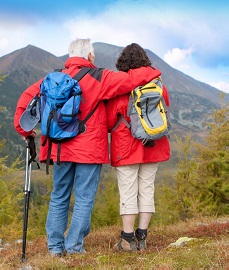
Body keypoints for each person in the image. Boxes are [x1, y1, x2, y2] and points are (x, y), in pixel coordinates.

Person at [14, 39, 162, 256]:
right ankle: (74, 247)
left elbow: (25, 101)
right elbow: (131, 80)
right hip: (89, 149)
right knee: (84, 197)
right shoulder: (100, 77)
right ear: (90, 56)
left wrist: (24, 131)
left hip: (60, 148)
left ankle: (55, 248)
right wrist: (153, 70)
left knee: (59, 195)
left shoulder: (51, 79)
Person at [106, 43, 170, 251]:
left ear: (123, 63)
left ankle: (126, 239)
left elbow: (109, 120)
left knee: (128, 192)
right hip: (154, 144)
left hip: (127, 146)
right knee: (147, 190)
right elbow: (165, 111)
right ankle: (142, 237)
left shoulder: (121, 86)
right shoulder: (159, 83)